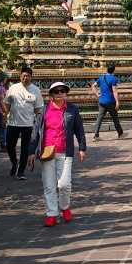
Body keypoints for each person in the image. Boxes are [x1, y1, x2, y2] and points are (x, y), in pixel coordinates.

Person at [29, 82, 86, 227]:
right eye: (56, 91)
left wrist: (82, 147)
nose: (60, 93)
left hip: (65, 151)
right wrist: (31, 151)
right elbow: (36, 131)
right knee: (49, 185)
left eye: (62, 91)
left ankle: (65, 207)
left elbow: (79, 129)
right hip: (48, 151)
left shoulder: (72, 109)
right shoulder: (44, 110)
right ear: (51, 95)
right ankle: (52, 213)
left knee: (64, 184)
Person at [3, 65, 43, 179]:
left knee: (25, 148)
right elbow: (7, 103)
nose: (26, 78)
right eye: (24, 75)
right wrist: (5, 115)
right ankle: (14, 163)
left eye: (28, 76)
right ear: (20, 76)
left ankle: (21, 171)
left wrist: (39, 123)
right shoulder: (13, 88)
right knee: (10, 146)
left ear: (31, 77)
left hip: (28, 124)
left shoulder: (36, 90)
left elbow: (38, 109)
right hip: (13, 123)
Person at [92, 63, 124, 140]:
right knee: (115, 118)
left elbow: (93, 86)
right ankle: (120, 133)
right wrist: (117, 102)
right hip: (110, 101)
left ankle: (96, 135)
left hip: (102, 101)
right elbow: (114, 91)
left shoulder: (101, 78)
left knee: (99, 118)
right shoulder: (113, 79)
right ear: (113, 70)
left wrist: (97, 94)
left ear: (107, 69)